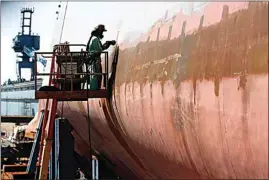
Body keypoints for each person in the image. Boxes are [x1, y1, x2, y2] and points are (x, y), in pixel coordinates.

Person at [86, 24, 116, 90]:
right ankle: (95, 89)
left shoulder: (93, 38)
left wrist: (107, 43)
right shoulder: (95, 39)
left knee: (95, 76)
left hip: (94, 60)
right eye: (101, 31)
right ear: (98, 32)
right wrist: (108, 44)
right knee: (96, 76)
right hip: (95, 60)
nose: (102, 33)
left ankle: (95, 88)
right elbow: (100, 50)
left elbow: (100, 48)